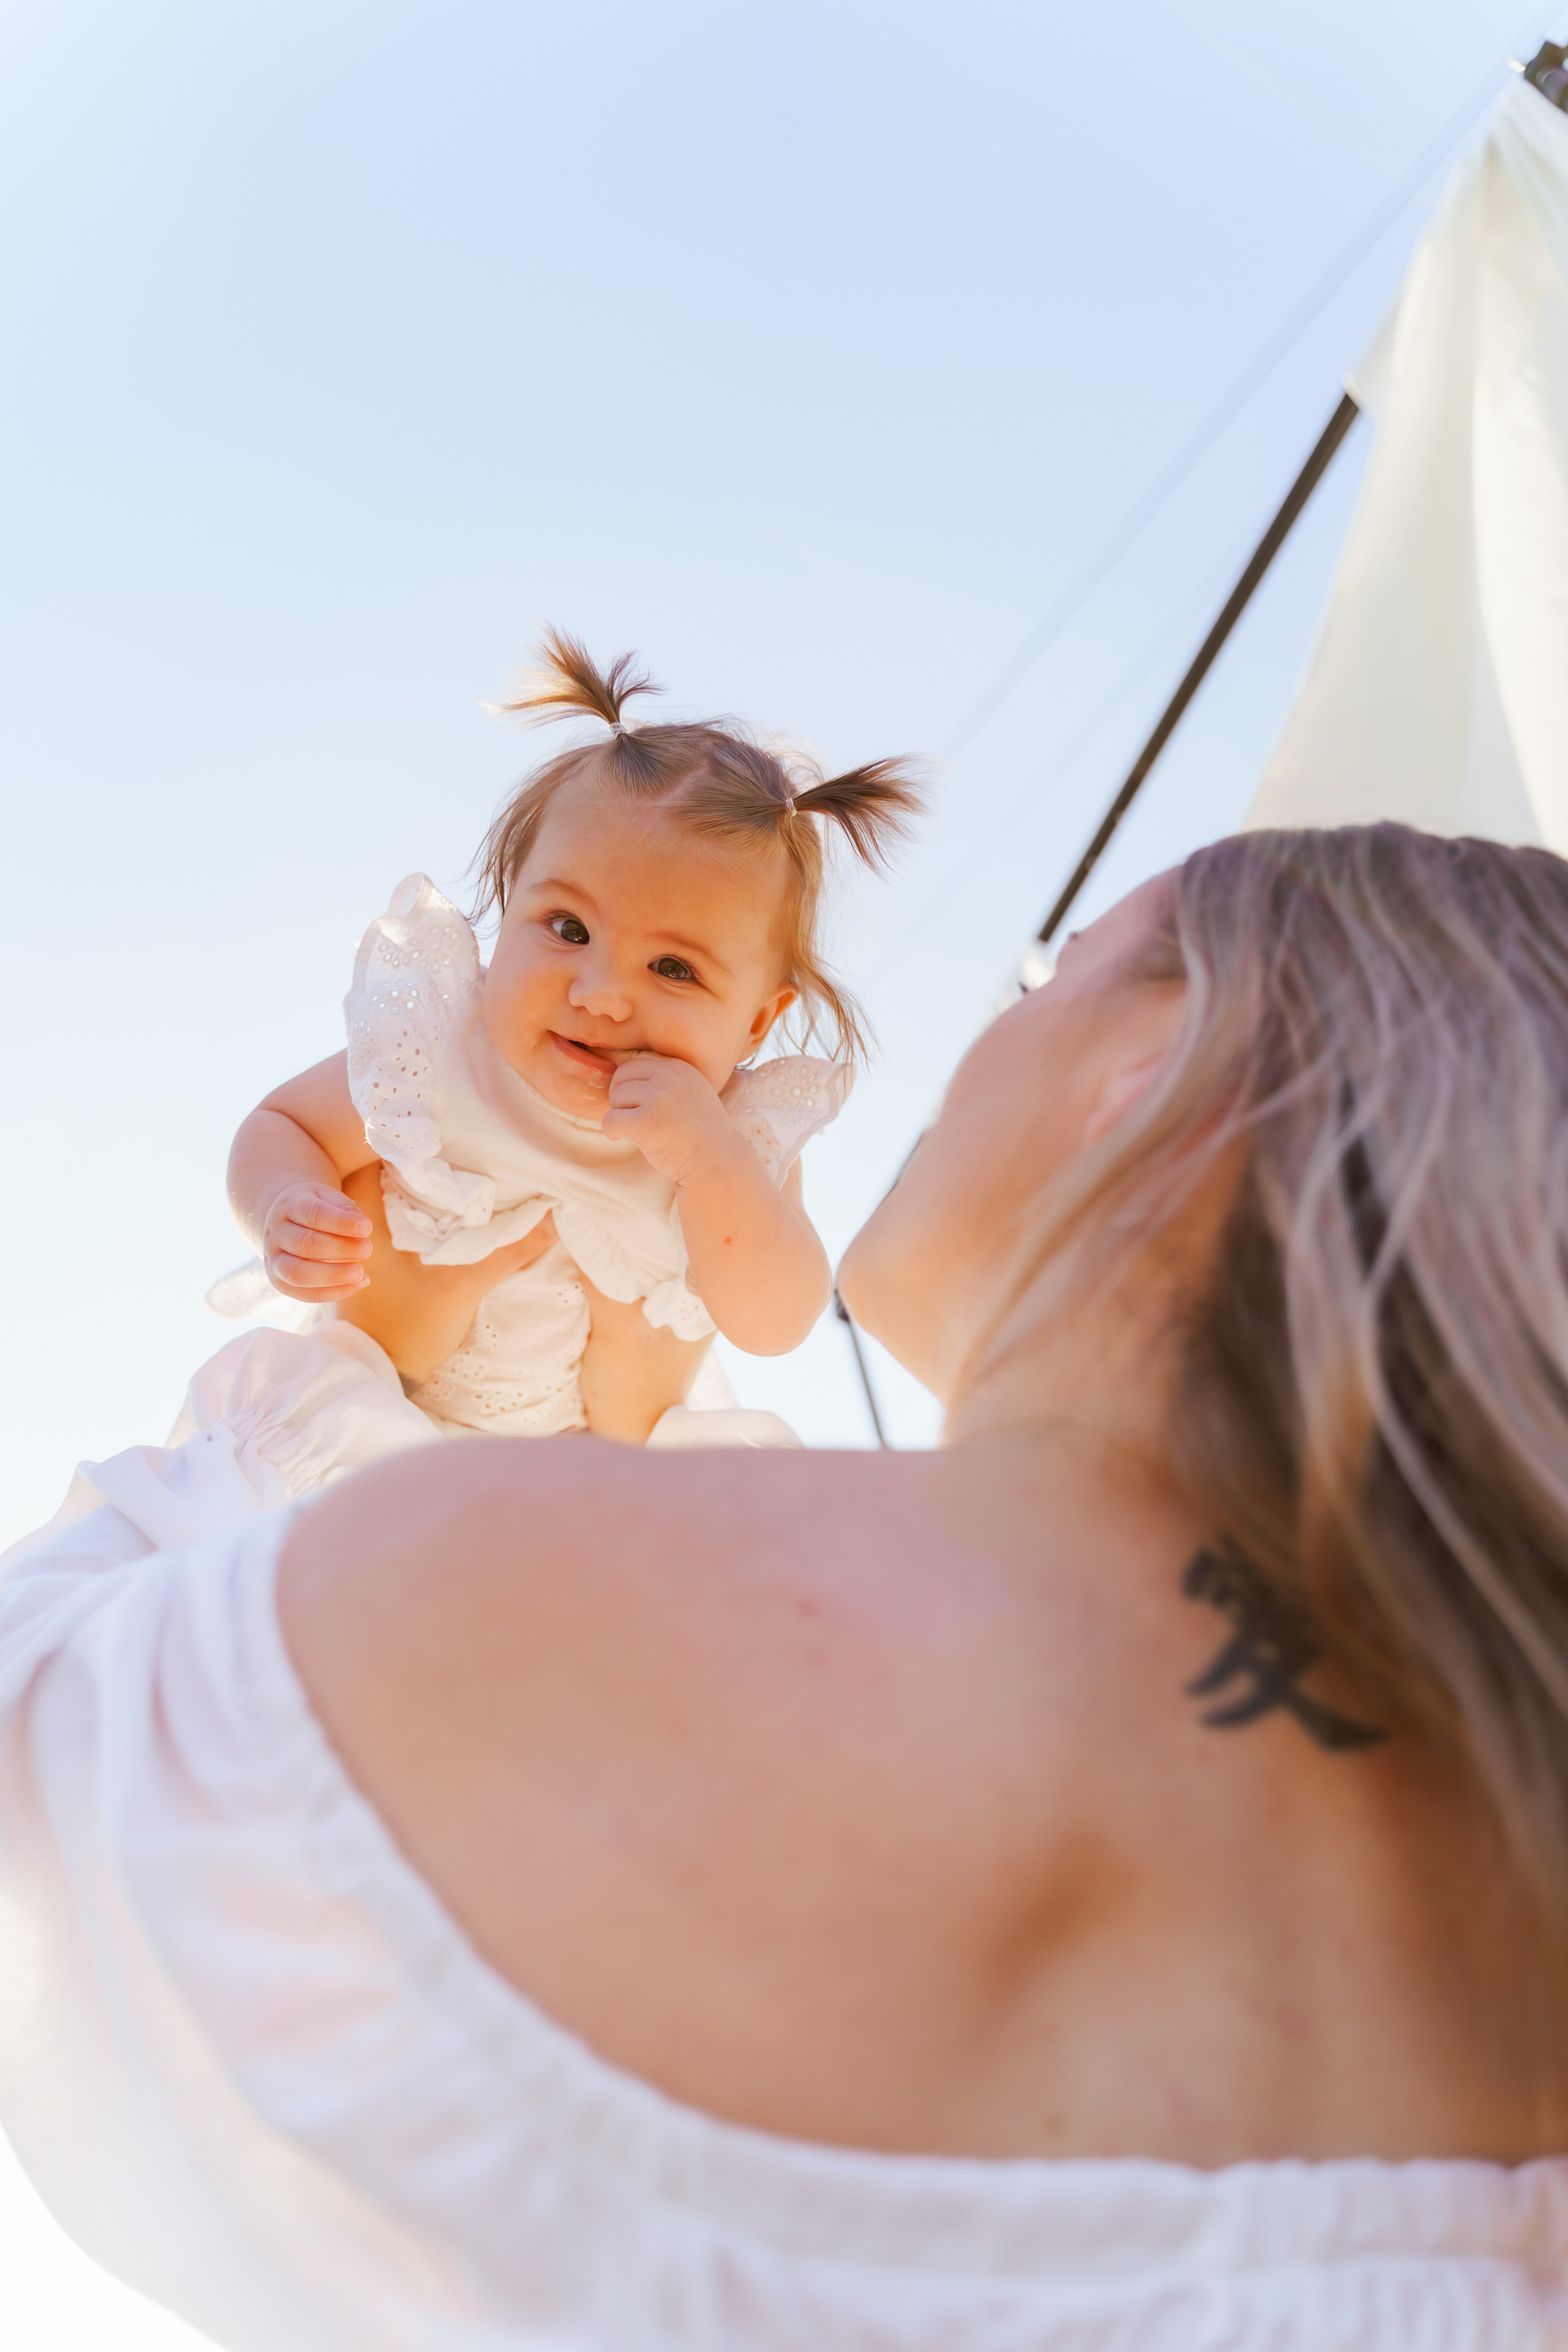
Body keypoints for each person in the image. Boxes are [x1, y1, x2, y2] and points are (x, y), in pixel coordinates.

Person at [3, 823, 1568, 2350]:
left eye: (1053, 973)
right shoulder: (1512, 1932)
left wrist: (331, 1386)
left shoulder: (515, 1582)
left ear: (1147, 1082)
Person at [211, 627, 922, 1457]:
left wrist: (710, 1162)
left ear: (758, 1023)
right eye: (568, 928)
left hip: (587, 1487)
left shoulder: (733, 1139)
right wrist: (285, 1203)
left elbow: (776, 1322)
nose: (600, 995)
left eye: (673, 968)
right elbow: (283, 1124)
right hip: (365, 1441)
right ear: (507, 908)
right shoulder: (444, 1055)